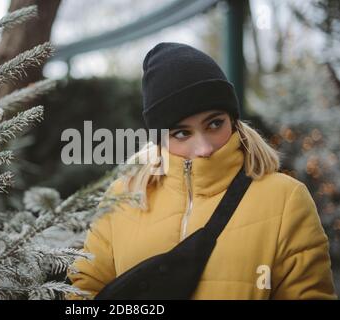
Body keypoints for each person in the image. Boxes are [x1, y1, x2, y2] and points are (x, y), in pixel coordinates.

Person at [66, 42, 337, 299]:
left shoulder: (286, 199)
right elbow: (84, 290)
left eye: (214, 124)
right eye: (182, 133)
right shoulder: (121, 199)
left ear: (232, 120)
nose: (204, 148)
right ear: (160, 139)